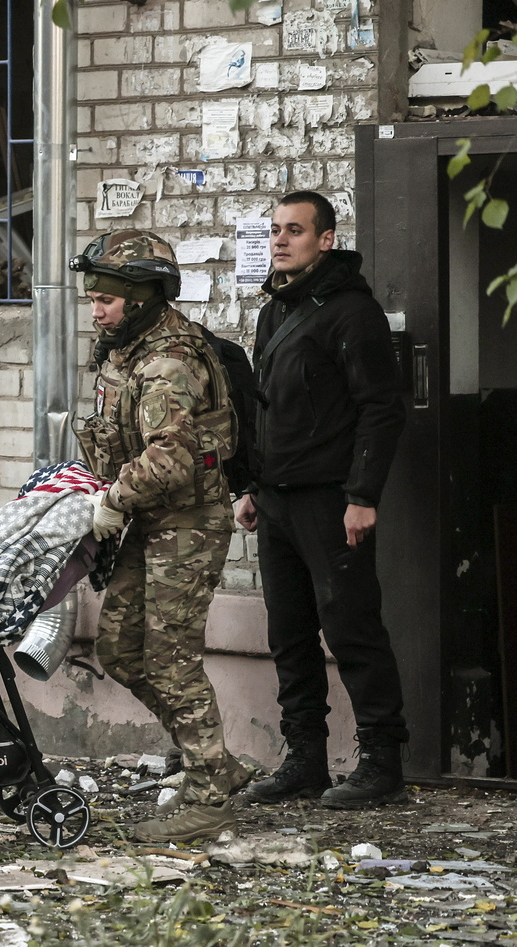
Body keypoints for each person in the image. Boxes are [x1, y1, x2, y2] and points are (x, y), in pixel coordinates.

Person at [71, 230, 251, 843]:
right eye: (92, 299)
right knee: (121, 651)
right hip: (150, 521)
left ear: (142, 296)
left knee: (171, 660)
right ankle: (217, 763)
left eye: (106, 300)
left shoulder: (167, 362)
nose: (96, 311)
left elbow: (169, 459)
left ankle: (209, 799)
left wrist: (111, 502)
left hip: (187, 526)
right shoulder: (126, 350)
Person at [235, 191, 408, 809]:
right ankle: (305, 760)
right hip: (276, 499)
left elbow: (381, 410)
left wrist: (362, 495)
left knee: (351, 628)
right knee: (289, 634)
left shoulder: (352, 313)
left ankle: (382, 762)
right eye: (275, 230)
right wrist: (251, 485)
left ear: (326, 239)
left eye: (295, 230)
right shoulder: (274, 312)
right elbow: (263, 408)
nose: (281, 241)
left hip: (331, 500)